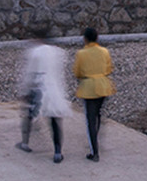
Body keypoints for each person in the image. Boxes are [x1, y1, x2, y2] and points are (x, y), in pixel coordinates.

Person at [16, 31, 72, 161]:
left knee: (29, 115)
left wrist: (24, 90)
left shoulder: (34, 52)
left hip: (38, 87)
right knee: (55, 120)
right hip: (55, 88)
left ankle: (25, 143)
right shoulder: (59, 52)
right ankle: (57, 151)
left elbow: (29, 72)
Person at [72, 28, 116, 161]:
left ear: (85, 39)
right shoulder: (104, 51)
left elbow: (77, 72)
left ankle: (94, 151)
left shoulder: (81, 53)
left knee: (90, 119)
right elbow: (109, 69)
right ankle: (96, 139)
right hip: (103, 85)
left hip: (89, 87)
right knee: (98, 115)